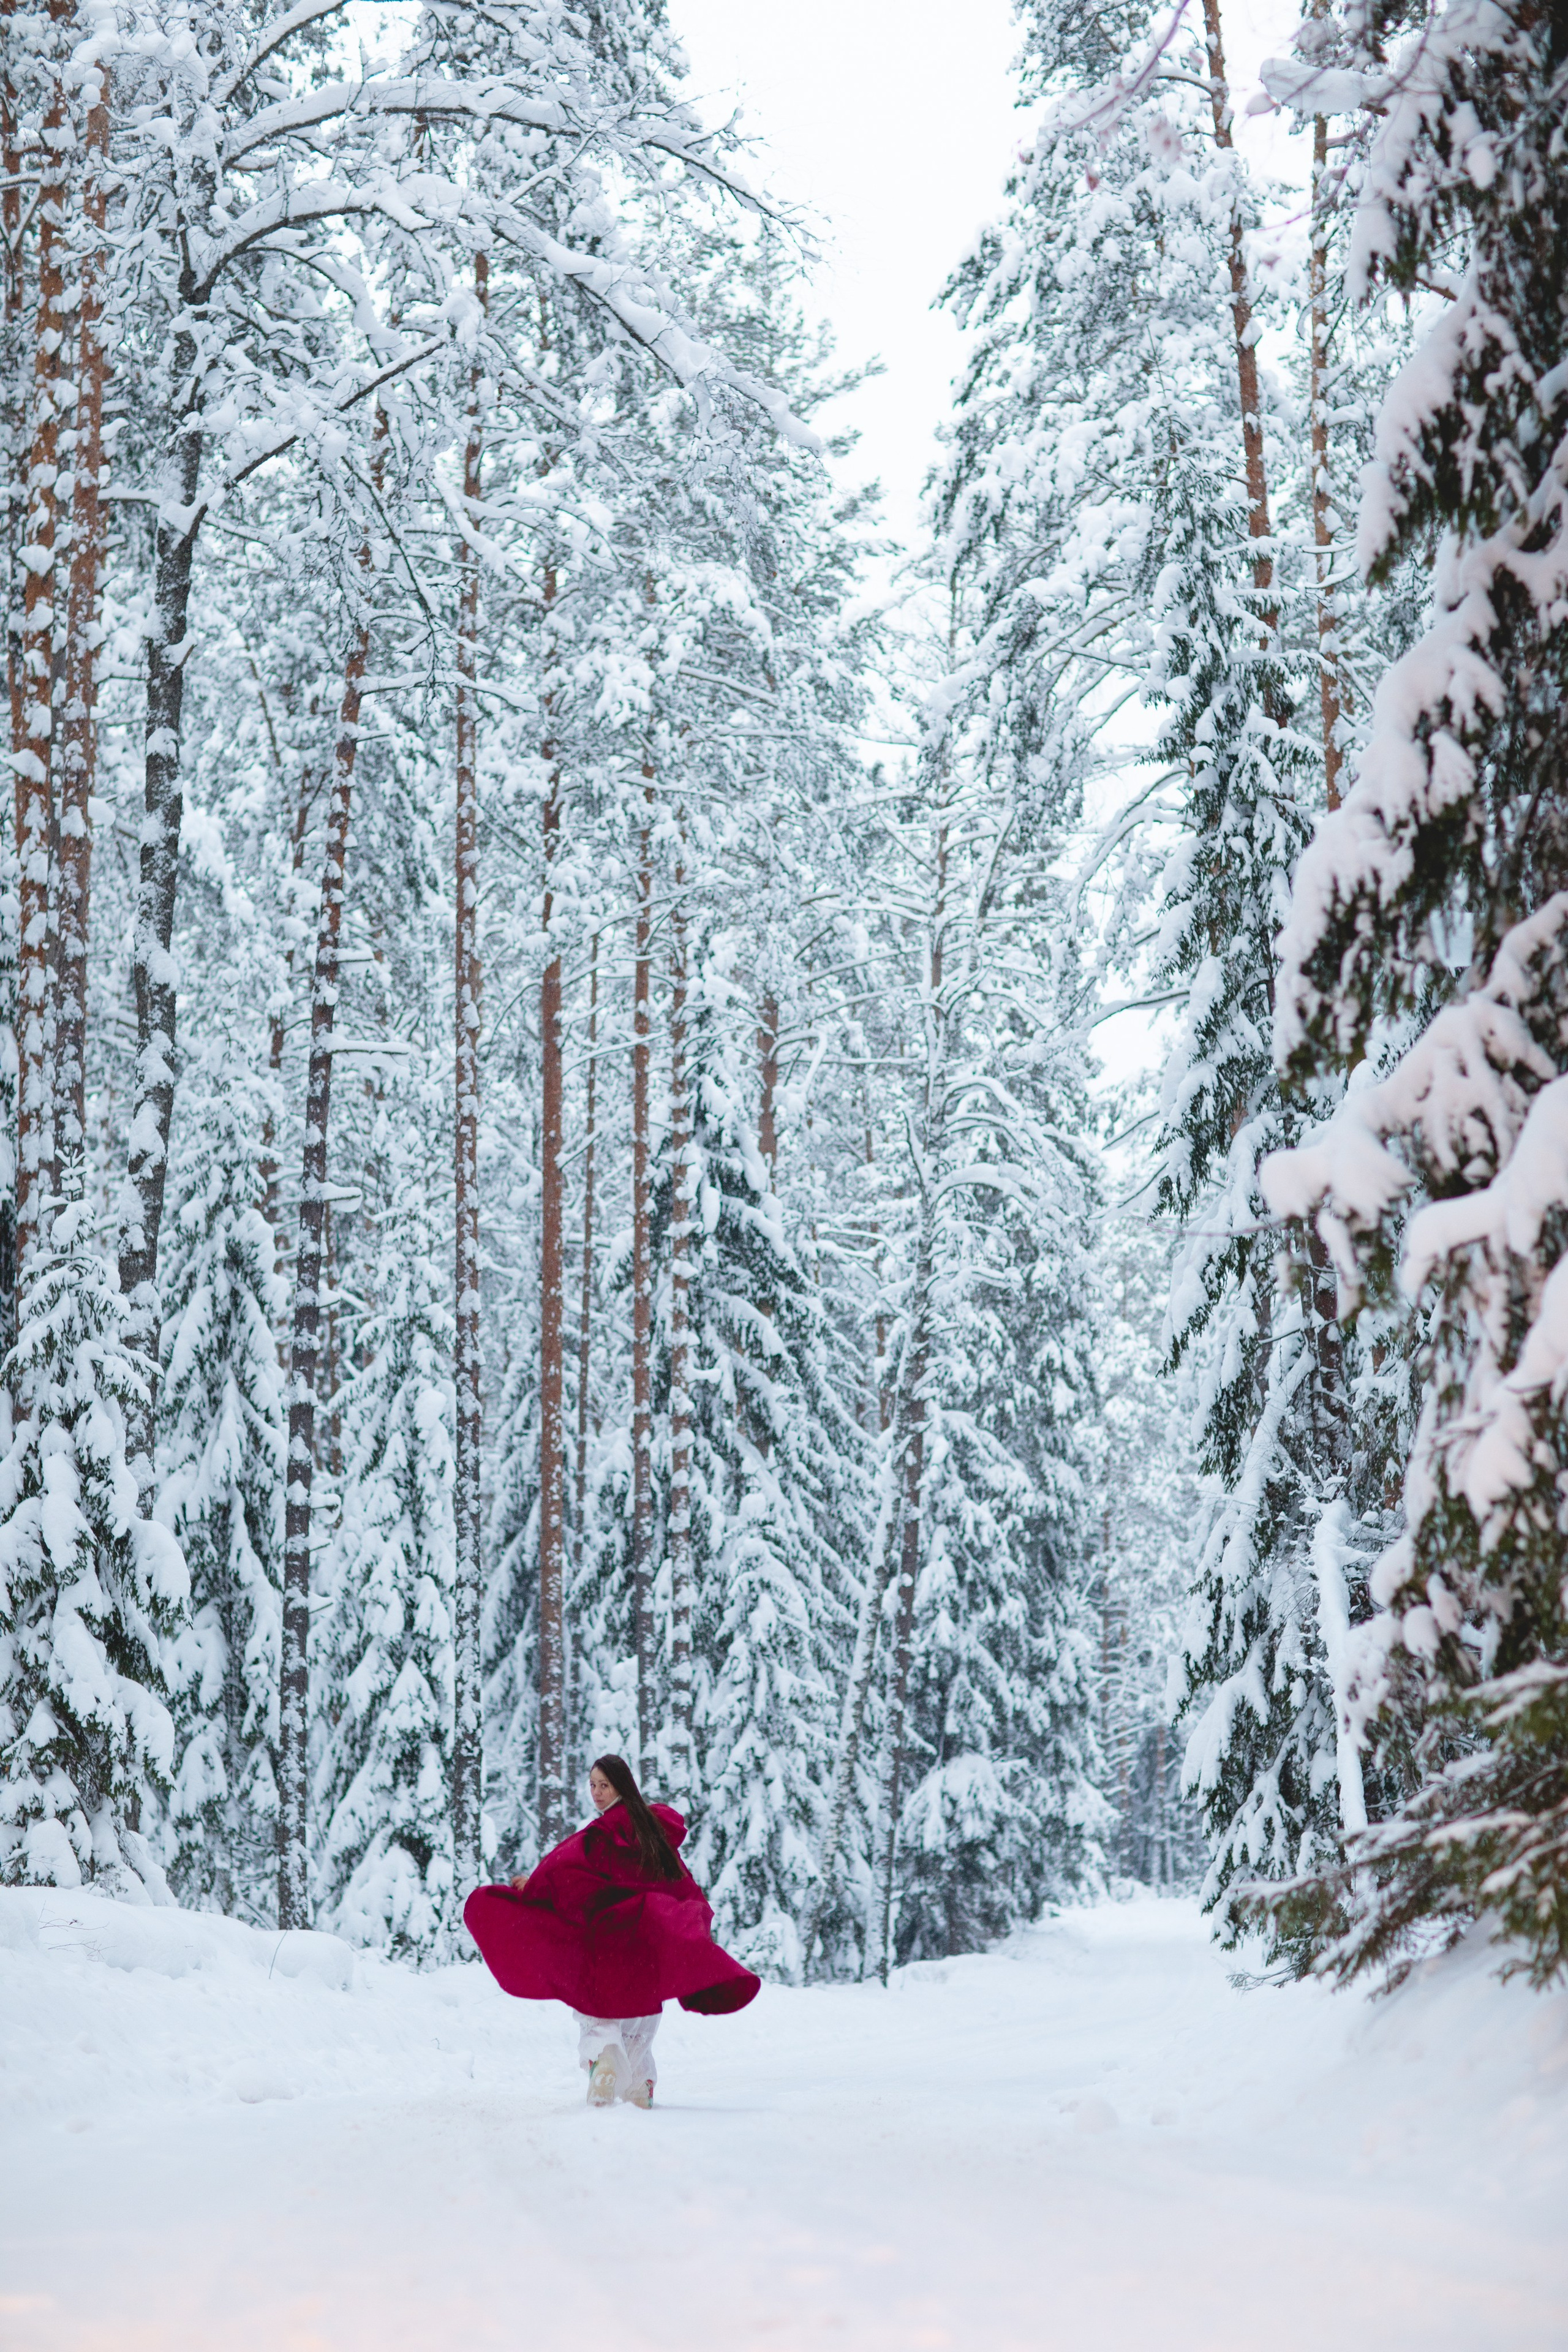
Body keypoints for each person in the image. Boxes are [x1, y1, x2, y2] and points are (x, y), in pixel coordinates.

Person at [463, 1754, 760, 2108]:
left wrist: (535, 1885)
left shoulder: (603, 1832)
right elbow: (681, 1885)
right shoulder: (652, 1832)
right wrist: (689, 1925)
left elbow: (566, 1869)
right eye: (592, 1785)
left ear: (622, 1785)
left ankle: (603, 2067)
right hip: (645, 1939)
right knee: (641, 2013)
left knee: (600, 2009)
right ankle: (640, 2085)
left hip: (607, 1940)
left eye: (605, 1785)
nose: (597, 1793)